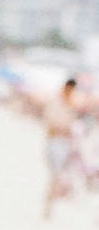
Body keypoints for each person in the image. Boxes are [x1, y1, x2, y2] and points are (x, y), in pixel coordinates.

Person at [43, 79, 84, 218]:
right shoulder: (57, 102)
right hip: (55, 141)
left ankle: (50, 206)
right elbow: (51, 121)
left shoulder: (71, 104)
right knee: (56, 175)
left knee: (58, 175)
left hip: (65, 142)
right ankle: (48, 207)